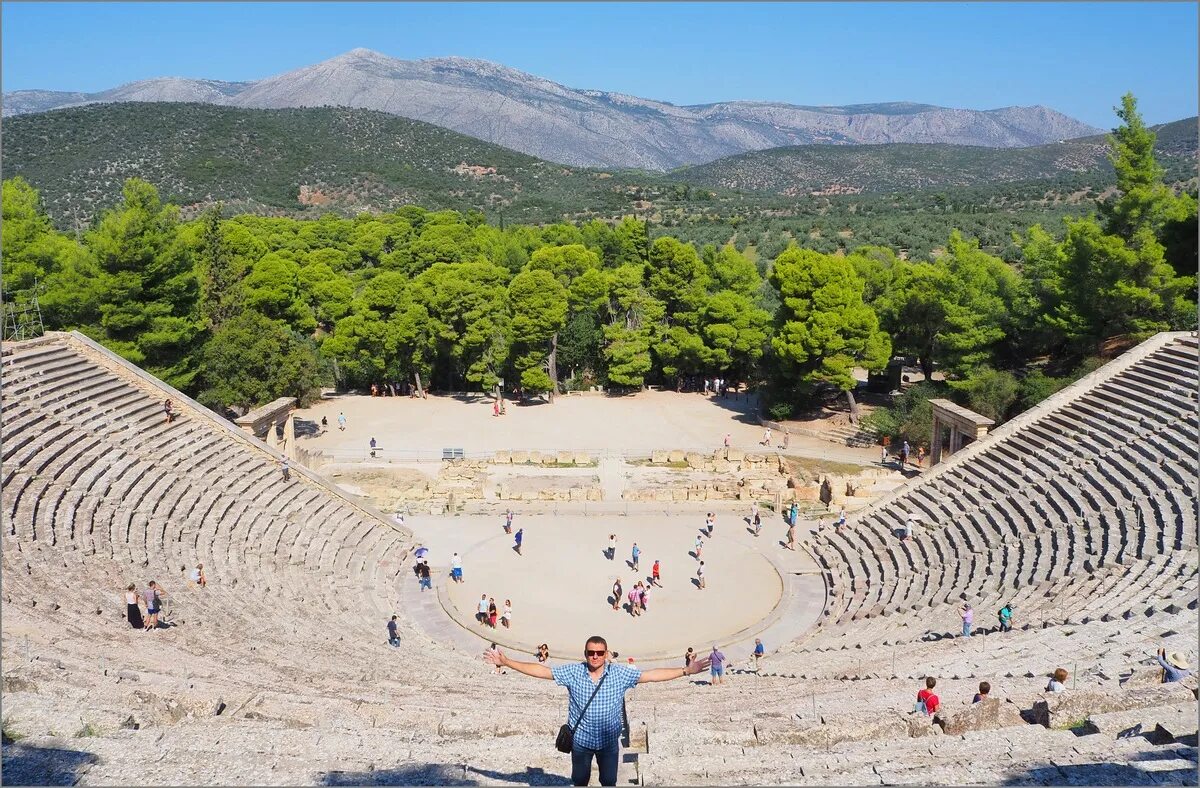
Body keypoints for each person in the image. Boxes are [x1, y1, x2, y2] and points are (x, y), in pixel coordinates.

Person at [484, 637, 710, 787]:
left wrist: (685, 671)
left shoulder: (619, 674)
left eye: (599, 653)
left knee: (609, 782)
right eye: (591, 652)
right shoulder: (574, 671)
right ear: (585, 653)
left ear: (606, 653)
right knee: (580, 781)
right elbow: (542, 672)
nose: (595, 656)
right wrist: (507, 662)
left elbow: (650, 675)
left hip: (609, 743)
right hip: (580, 743)